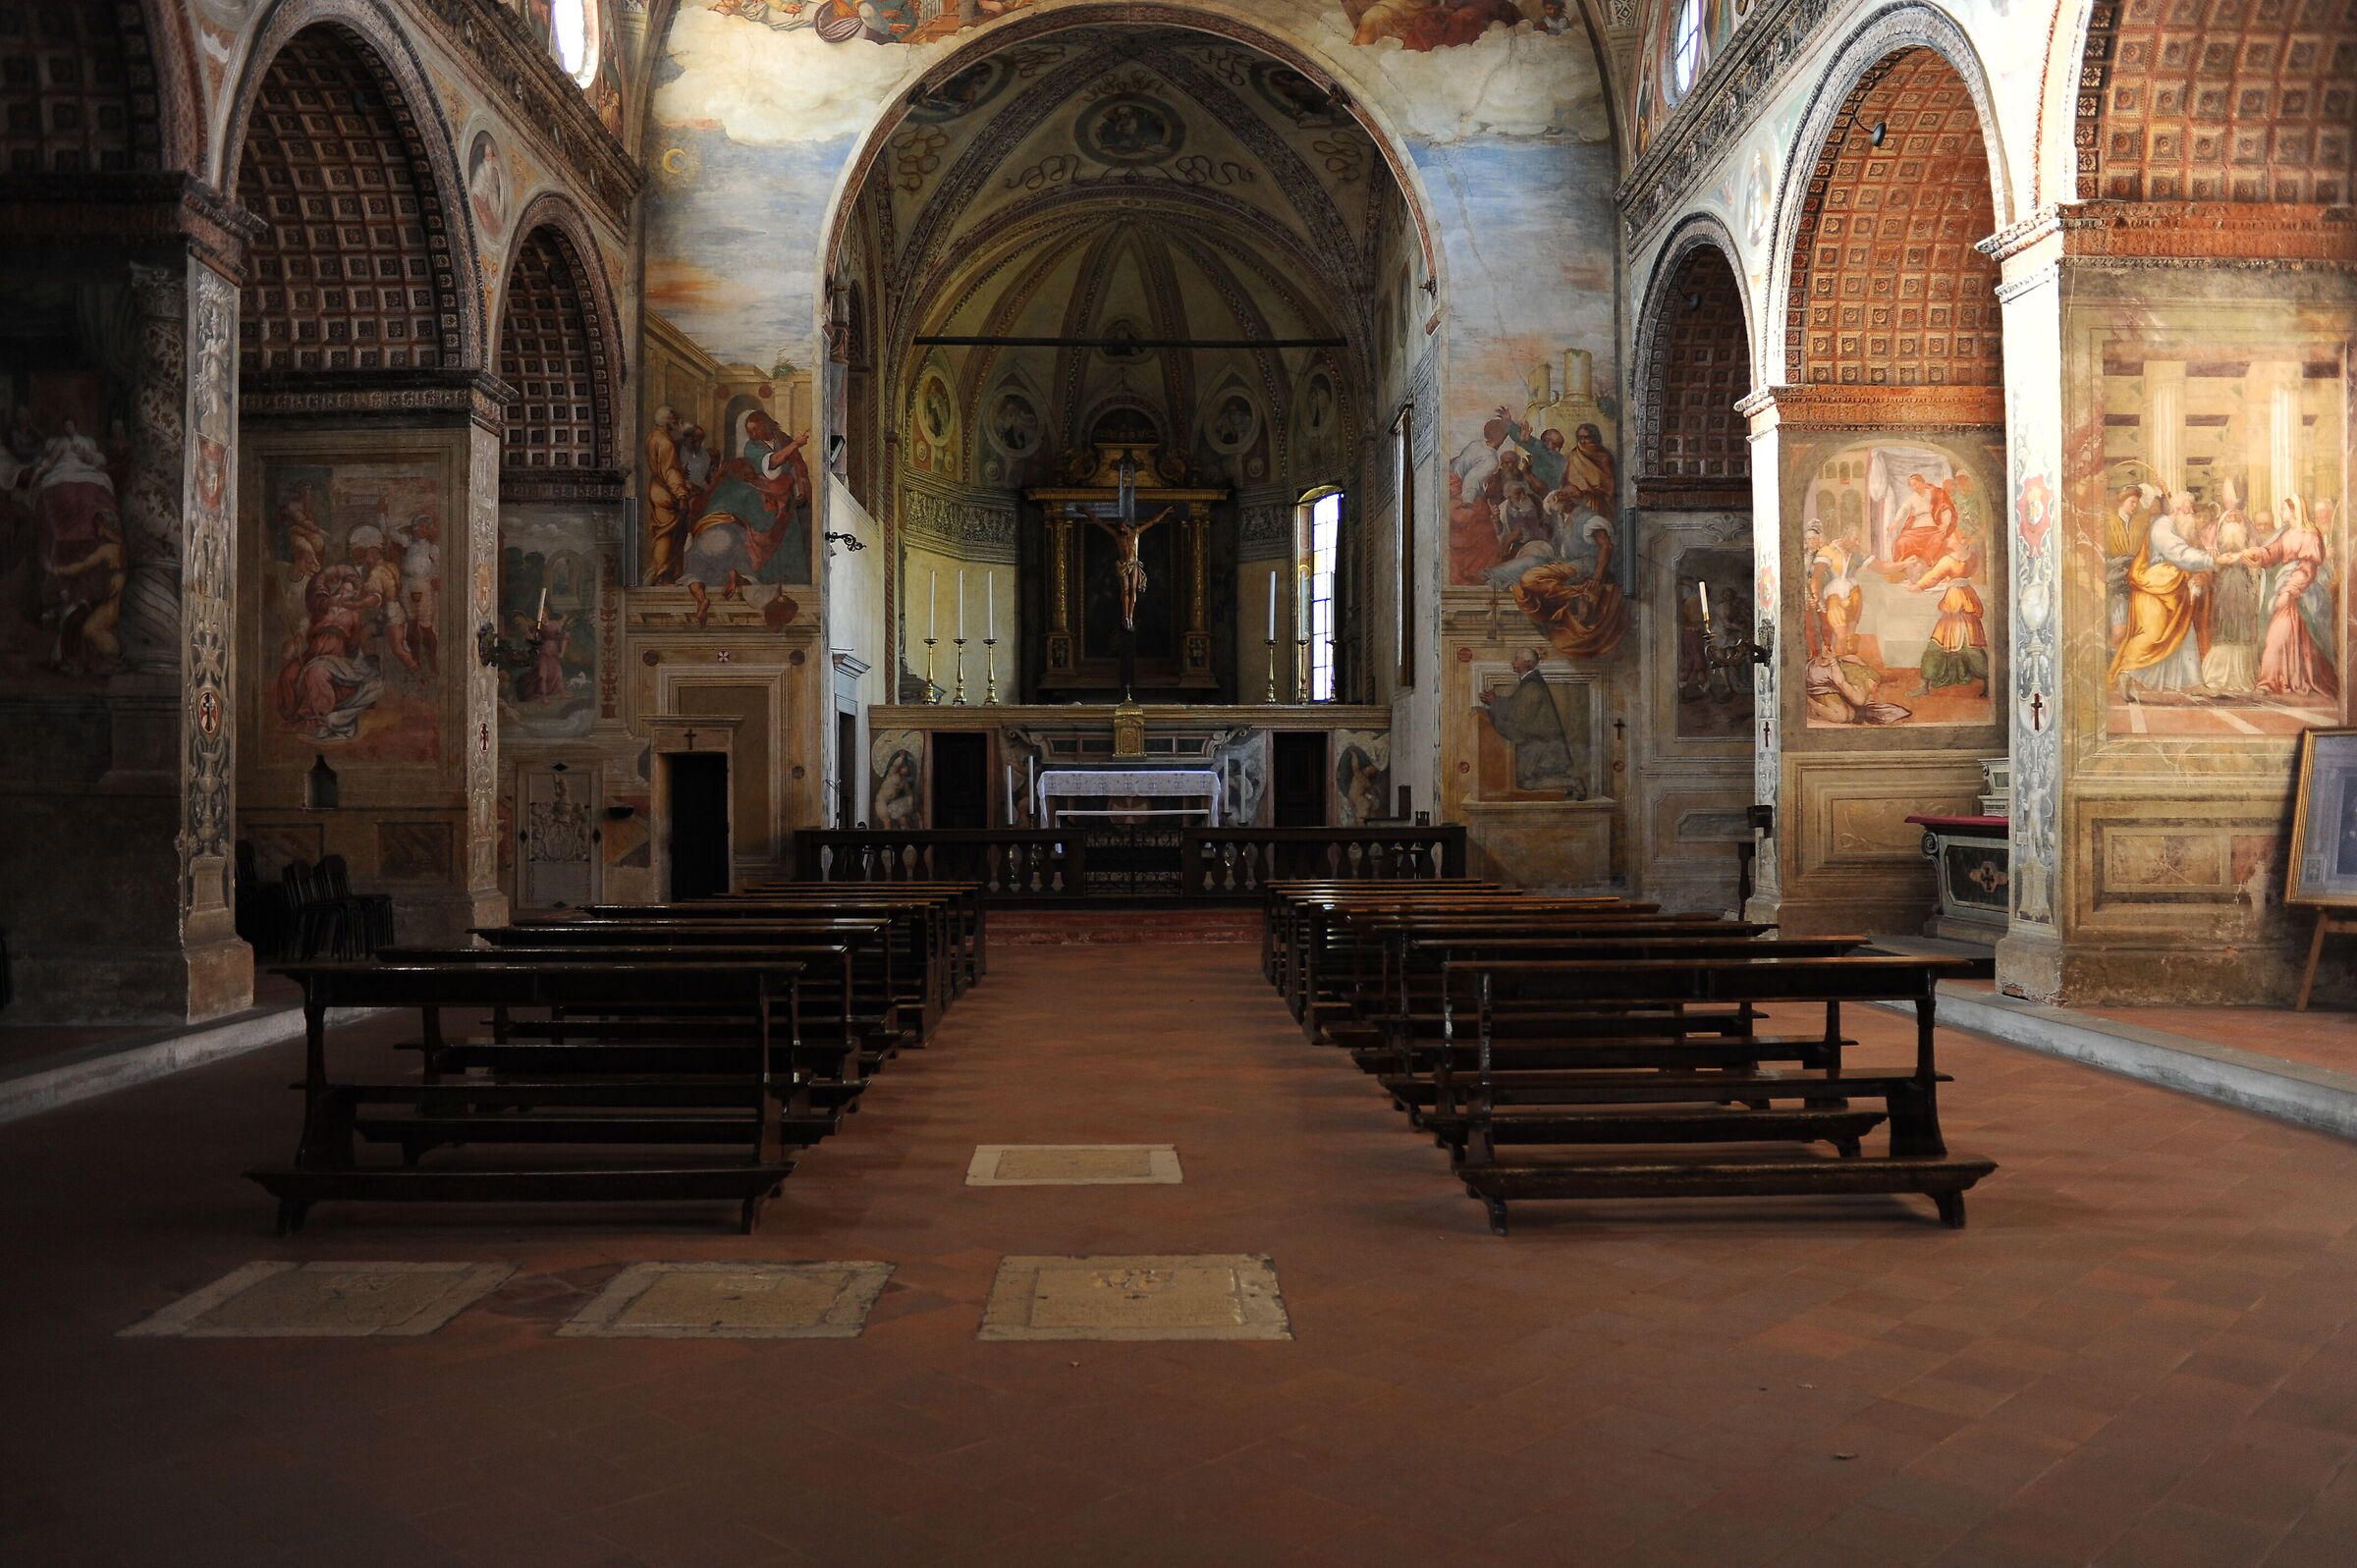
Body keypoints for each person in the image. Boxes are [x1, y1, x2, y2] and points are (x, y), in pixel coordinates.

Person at [2108, 489, 2219, 700]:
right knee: (2152, 634)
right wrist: (2210, 560)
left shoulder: (2176, 527)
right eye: (2189, 510)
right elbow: (2179, 554)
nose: (2192, 514)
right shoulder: (2162, 527)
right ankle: (2126, 672)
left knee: (2184, 632)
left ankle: (2195, 682)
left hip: (2171, 589)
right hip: (2153, 589)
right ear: (2179, 510)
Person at [2234, 494, 2337, 700]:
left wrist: (2289, 591)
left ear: (2294, 511)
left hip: (2304, 597)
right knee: (2279, 637)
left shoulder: (2310, 535)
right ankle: (2276, 682)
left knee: (2281, 637)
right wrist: (2255, 553)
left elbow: (2307, 568)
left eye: (2284, 509)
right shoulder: (2288, 534)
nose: (2281, 512)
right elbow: (2272, 552)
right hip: (2287, 591)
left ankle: (2274, 682)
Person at [1479, 649, 1586, 795]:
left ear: (1528, 663)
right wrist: (1496, 701)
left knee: (1525, 781)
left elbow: (1520, 714)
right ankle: (1567, 785)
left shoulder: (1531, 685)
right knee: (1535, 777)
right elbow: (1517, 705)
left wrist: (1495, 702)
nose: (1512, 662)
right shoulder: (1529, 683)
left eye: (1517, 659)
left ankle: (1573, 783)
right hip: (1540, 742)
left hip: (1541, 744)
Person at [645, 406, 692, 585]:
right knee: (666, 534)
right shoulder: (665, 442)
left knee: (663, 534)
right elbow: (670, 471)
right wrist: (681, 495)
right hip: (666, 491)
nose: (676, 419)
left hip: (657, 488)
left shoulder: (653, 436)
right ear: (666, 420)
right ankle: (663, 576)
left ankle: (665, 575)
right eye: (673, 417)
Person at [1806, 648, 1912, 726]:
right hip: (1815, 683)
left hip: (1821, 670)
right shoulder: (1859, 698)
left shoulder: (1867, 673)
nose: (1875, 691)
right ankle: (1808, 700)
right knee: (1842, 716)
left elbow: (1853, 659)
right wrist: (1833, 660)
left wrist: (1834, 658)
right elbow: (1840, 681)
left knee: (1851, 713)